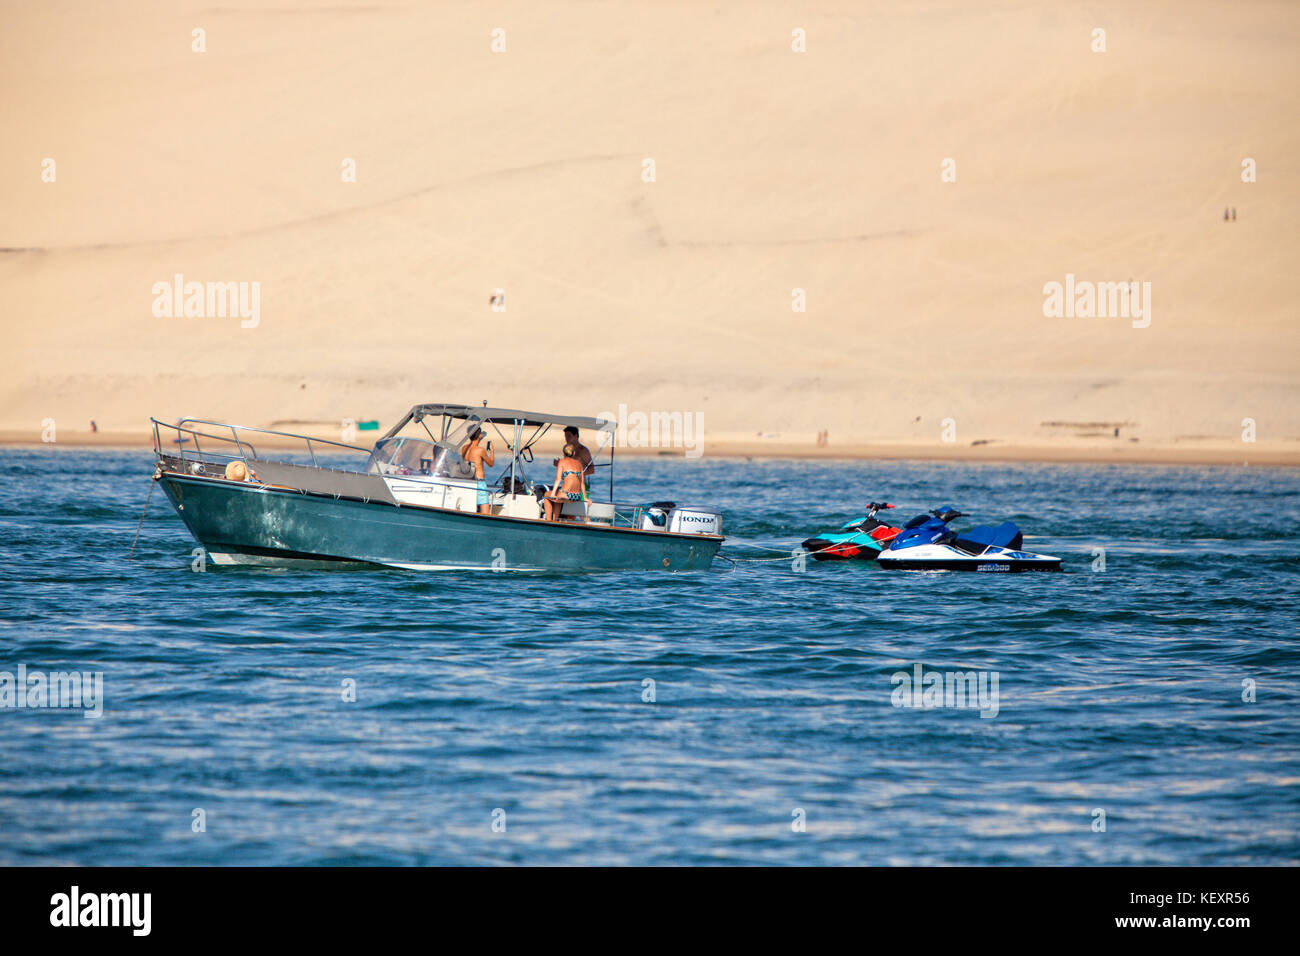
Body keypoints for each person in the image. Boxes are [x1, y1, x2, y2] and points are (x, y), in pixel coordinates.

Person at [544, 444, 586, 521]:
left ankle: (549, 520)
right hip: (576, 496)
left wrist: (553, 493)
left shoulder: (562, 462)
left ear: (563, 453)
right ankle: (555, 519)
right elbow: (582, 482)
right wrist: (585, 497)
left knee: (547, 495)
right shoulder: (579, 464)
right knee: (558, 496)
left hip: (565, 495)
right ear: (574, 453)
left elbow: (558, 479)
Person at [460, 427, 495, 514]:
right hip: (479, 483)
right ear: (479, 435)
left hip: (468, 481)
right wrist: (492, 451)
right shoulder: (480, 450)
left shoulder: (464, 448)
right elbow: (491, 463)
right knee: (486, 512)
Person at [558, 425, 594, 492]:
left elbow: (592, 470)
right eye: (565, 436)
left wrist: (576, 474)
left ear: (576, 436)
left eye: (569, 436)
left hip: (581, 485)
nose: (566, 438)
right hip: (568, 484)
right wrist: (559, 464)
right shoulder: (567, 448)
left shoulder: (583, 451)